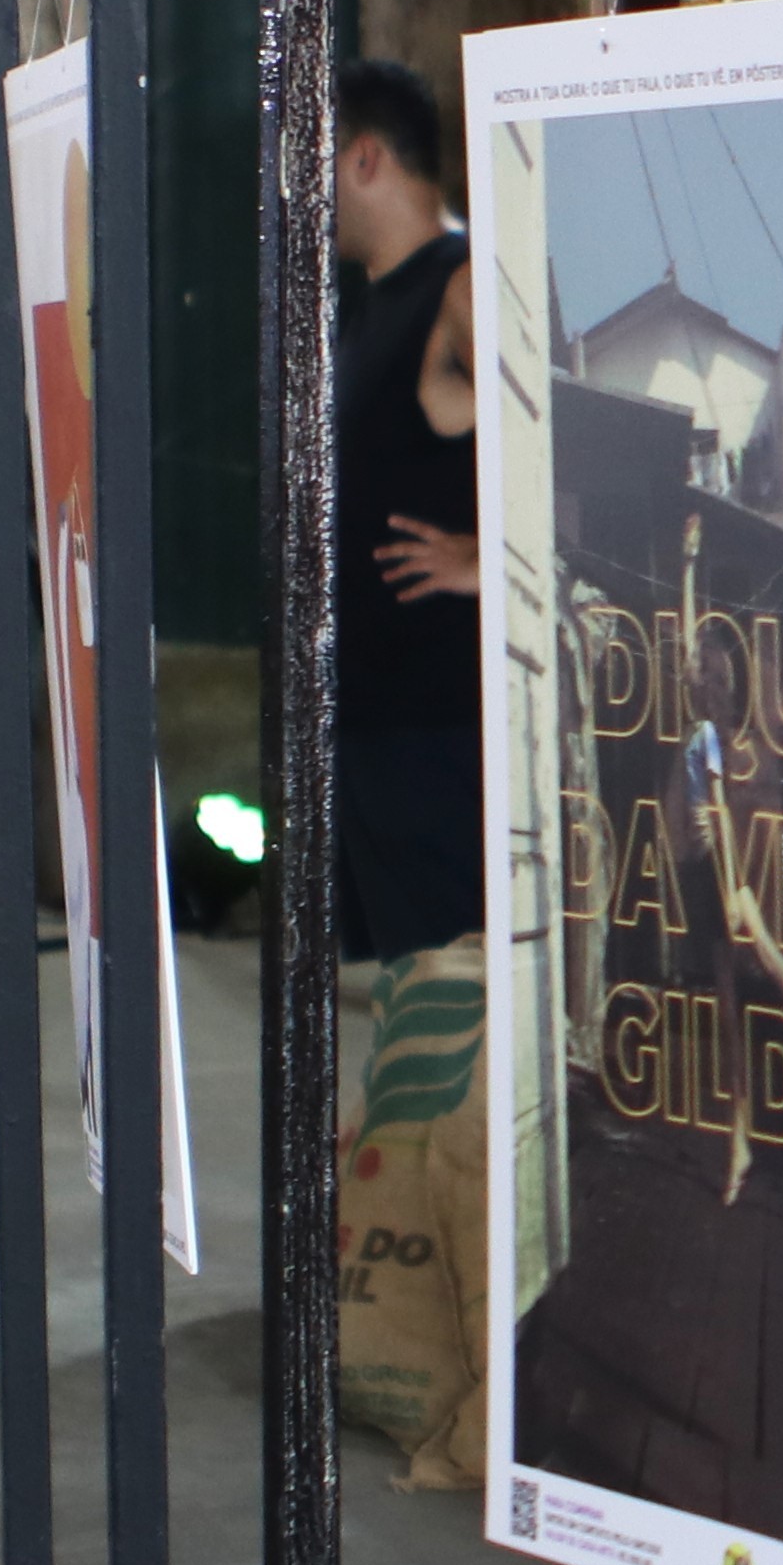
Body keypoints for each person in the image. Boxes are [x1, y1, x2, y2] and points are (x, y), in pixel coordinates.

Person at [331, 58, 480, 961]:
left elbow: (580, 440)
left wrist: (487, 553)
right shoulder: (371, 306)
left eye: (307, 154)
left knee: (454, 982)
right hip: (375, 721)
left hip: (437, 728)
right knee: (406, 983)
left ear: (366, 159)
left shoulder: (459, 286)